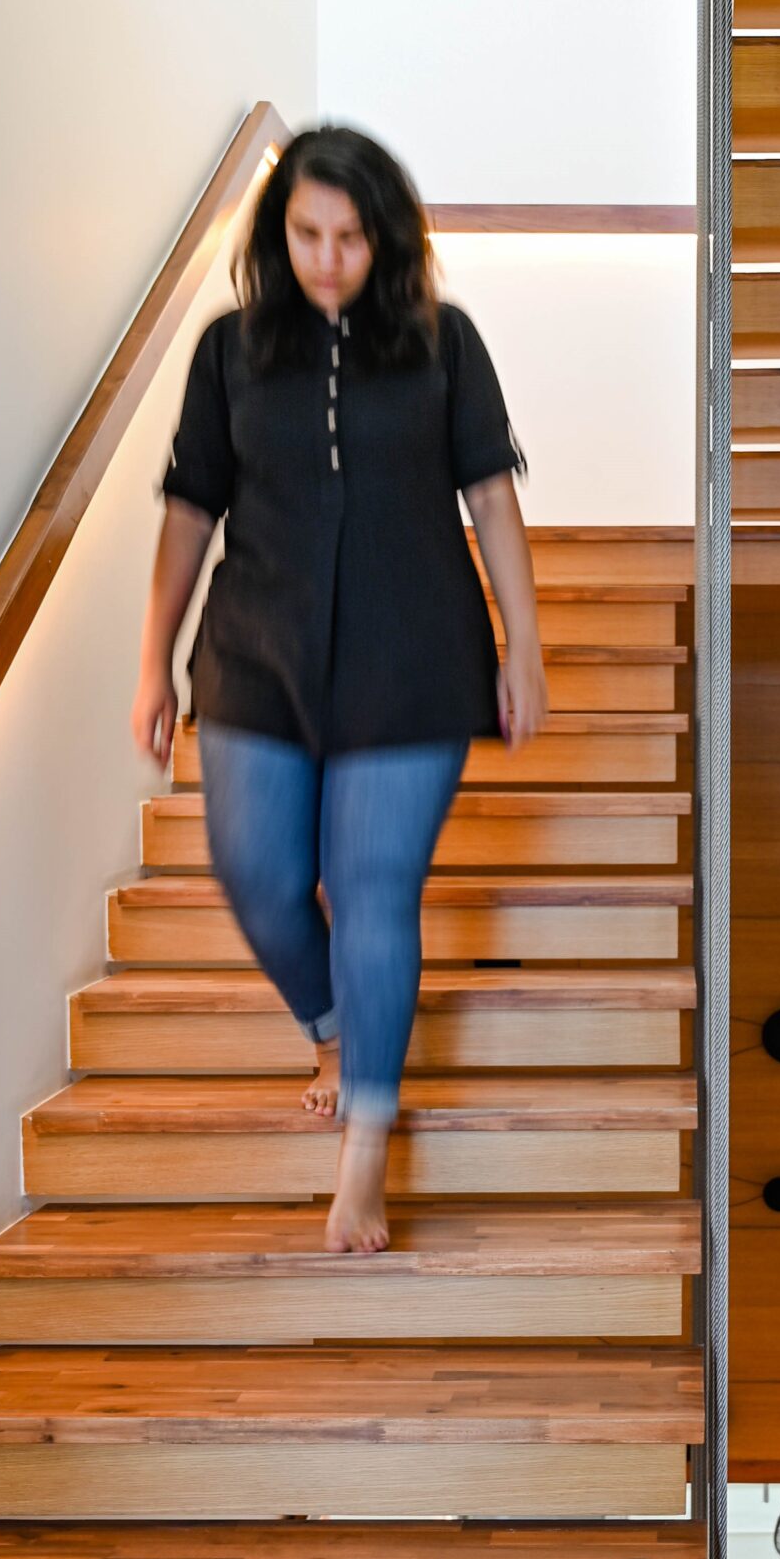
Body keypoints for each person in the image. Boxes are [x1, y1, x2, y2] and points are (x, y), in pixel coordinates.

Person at [130, 124, 546, 1253]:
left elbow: (491, 497)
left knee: (371, 893)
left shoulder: (443, 342)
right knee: (259, 875)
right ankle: (329, 1026)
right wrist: (154, 658)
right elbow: (190, 509)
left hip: (412, 655)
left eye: (351, 237)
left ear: (387, 238)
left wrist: (524, 644)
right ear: (278, 235)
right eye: (307, 235)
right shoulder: (228, 351)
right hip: (255, 650)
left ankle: (364, 1153)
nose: (327, 258)